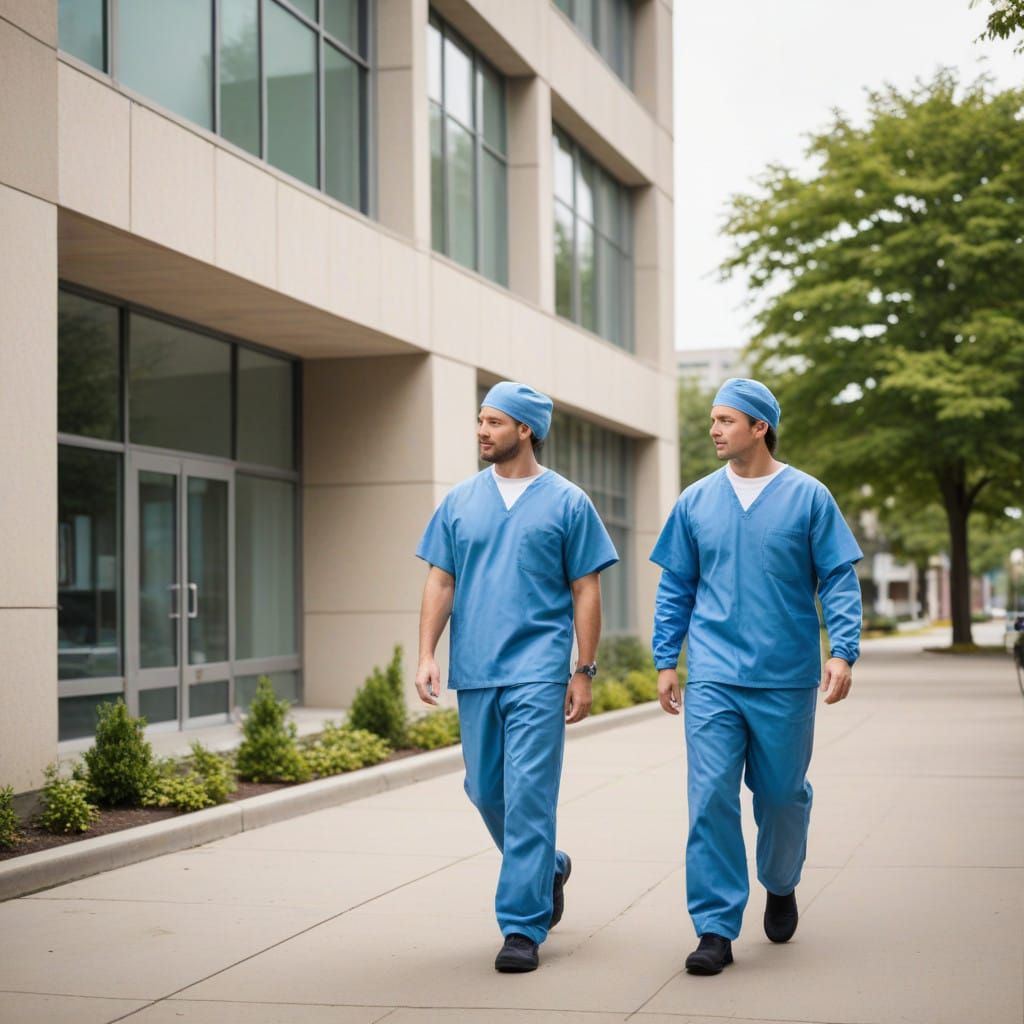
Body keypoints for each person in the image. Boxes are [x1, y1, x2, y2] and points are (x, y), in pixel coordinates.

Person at [650, 378, 863, 976]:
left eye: (725, 420)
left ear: (760, 426)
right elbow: (676, 587)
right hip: (714, 676)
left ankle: (781, 878)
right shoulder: (695, 502)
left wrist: (842, 651)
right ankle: (715, 927)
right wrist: (667, 659)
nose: (713, 429)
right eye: (713, 420)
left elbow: (839, 580)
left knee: (780, 796)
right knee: (710, 797)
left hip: (785, 676)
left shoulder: (809, 497)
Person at [415, 381, 618, 973]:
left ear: (526, 430)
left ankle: (522, 927)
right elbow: (440, 581)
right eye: (479, 420)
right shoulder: (458, 502)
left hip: (538, 670)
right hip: (476, 668)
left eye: (494, 422)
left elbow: (586, 588)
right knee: (484, 790)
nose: (482, 431)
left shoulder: (568, 502)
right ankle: (549, 866)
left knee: (529, 795)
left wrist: (583, 669)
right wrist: (427, 654)